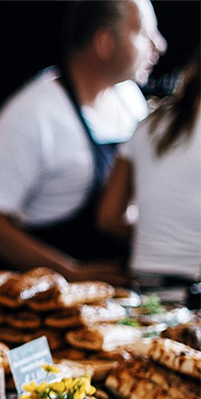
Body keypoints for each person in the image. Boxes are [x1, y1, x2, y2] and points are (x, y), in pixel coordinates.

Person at [0, 0, 166, 284]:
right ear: (104, 42)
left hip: (118, 295)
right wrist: (70, 273)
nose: (159, 45)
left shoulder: (129, 100)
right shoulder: (32, 114)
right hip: (46, 302)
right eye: (144, 33)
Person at [97, 48, 201, 293]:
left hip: (144, 292)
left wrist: (157, 235)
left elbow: (109, 217)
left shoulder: (148, 124)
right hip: (195, 298)